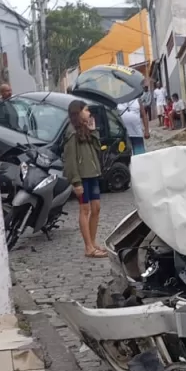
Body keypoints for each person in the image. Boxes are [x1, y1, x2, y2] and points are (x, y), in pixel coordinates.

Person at [62, 100, 107, 259]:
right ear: (78, 112)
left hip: (93, 174)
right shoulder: (72, 133)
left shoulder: (86, 129)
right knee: (85, 209)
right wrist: (76, 181)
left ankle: (93, 243)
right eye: (86, 110)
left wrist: (93, 131)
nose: (89, 113)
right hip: (82, 177)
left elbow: (97, 149)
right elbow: (70, 159)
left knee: (96, 208)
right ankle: (88, 247)